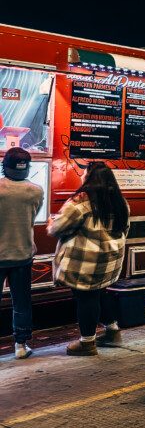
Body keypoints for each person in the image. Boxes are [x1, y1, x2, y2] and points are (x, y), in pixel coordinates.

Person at [48, 162, 129, 356]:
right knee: (101, 293)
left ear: (90, 178)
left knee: (86, 298)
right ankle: (112, 331)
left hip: (86, 263)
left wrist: (52, 222)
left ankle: (87, 343)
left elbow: (57, 229)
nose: (82, 176)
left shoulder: (80, 203)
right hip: (109, 262)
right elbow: (125, 229)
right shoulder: (120, 202)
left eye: (84, 174)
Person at [0, 148, 45, 359]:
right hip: (22, 254)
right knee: (21, 302)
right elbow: (31, 217)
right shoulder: (36, 191)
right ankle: (20, 345)